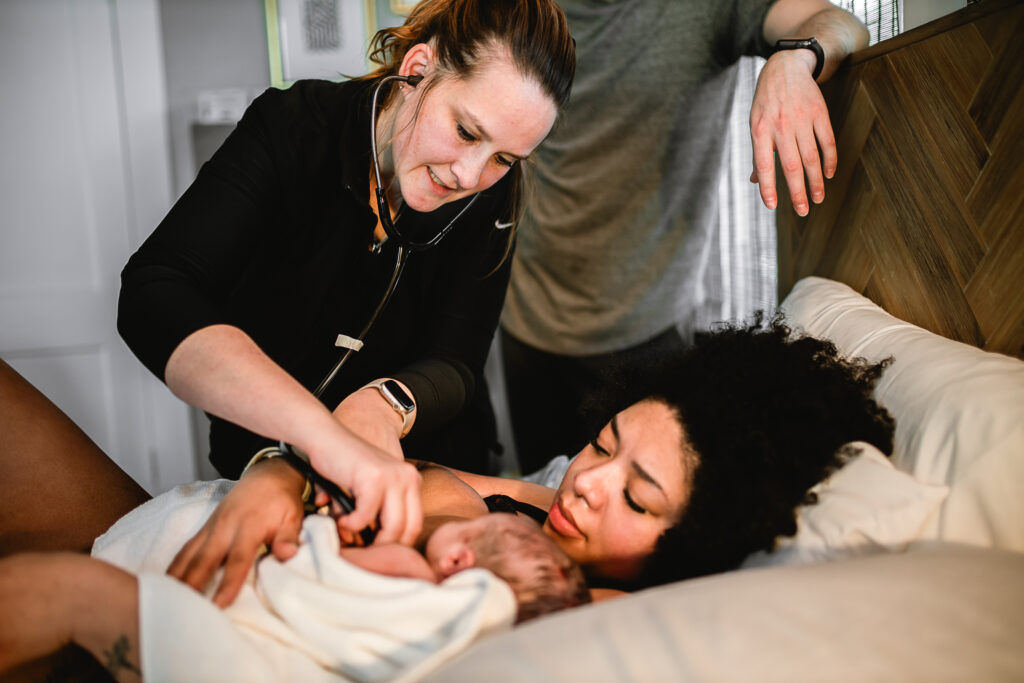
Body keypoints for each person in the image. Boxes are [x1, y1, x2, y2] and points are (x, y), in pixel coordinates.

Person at [116, 0, 576, 559]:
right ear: (417, 69)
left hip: (436, 474)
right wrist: (320, 436)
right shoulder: (292, 129)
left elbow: (456, 361)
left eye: (505, 157)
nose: (470, 176)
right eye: (464, 131)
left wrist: (384, 404)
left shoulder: (493, 194)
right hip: (266, 468)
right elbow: (156, 290)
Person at [500, 0, 872, 472]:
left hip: (646, 335)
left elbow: (845, 25)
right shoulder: (524, 9)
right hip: (526, 322)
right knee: (542, 508)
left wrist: (795, 58)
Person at [0, 510, 589, 680]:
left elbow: (311, 569)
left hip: (246, 656)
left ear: (459, 561)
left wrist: (325, 528)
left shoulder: (410, 569)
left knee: (61, 590)